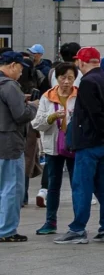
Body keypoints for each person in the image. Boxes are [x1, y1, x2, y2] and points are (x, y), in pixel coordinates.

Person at [54, 47, 104, 245]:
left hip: (89, 141)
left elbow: (94, 112)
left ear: (82, 62)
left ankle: (78, 229)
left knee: (82, 185)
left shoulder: (87, 82)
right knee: (103, 185)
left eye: (78, 61)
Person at [30, 62, 77, 236]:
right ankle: (50, 222)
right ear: (56, 78)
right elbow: (36, 123)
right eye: (63, 77)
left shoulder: (79, 96)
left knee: (77, 185)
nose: (66, 82)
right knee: (53, 185)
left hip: (74, 147)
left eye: (70, 78)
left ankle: (77, 223)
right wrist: (51, 117)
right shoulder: (47, 97)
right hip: (53, 147)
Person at [0, 51, 38, 242]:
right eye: (21, 69)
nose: (21, 74)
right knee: (12, 188)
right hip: (9, 144)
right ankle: (7, 230)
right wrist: (33, 106)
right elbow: (21, 115)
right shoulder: (9, 86)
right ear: (13, 65)